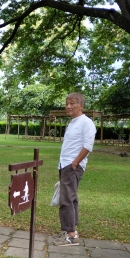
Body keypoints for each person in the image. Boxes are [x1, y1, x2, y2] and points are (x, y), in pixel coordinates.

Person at [53, 92, 96, 246]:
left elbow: (87, 146)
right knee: (71, 199)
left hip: (72, 166)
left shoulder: (86, 123)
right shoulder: (72, 122)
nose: (68, 106)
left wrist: (75, 163)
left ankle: (71, 235)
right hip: (65, 165)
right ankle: (71, 232)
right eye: (67, 103)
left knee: (66, 200)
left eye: (72, 103)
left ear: (81, 105)